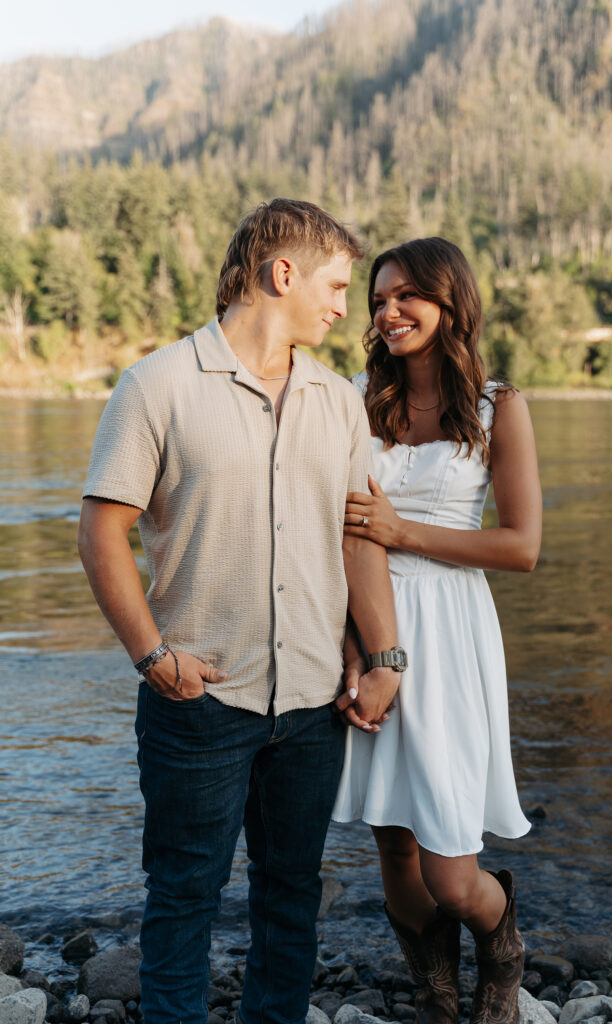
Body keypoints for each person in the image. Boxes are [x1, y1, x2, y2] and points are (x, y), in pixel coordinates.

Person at [77, 198, 405, 1024]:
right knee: (184, 896)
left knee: (291, 898)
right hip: (197, 698)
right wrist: (154, 657)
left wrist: (383, 657)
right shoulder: (156, 385)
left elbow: (357, 538)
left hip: (311, 703)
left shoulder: (337, 400)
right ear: (281, 273)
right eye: (335, 285)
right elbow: (100, 532)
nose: (343, 307)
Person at [333, 237, 542, 1024]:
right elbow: (343, 533)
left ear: (450, 302)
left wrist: (403, 531)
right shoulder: (356, 399)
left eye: (407, 295)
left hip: (451, 631)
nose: (388, 311)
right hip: (369, 620)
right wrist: (355, 648)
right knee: (392, 837)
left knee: (450, 867)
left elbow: (519, 548)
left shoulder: (499, 406)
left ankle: (500, 945)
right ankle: (434, 988)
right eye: (379, 298)